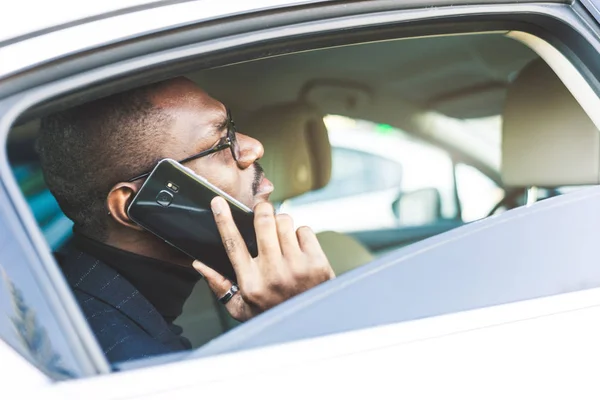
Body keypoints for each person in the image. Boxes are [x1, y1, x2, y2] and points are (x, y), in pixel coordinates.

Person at [37, 77, 335, 363]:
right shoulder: (133, 362)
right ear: (133, 204)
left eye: (232, 128)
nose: (254, 147)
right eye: (221, 142)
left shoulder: (71, 296)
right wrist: (301, 318)